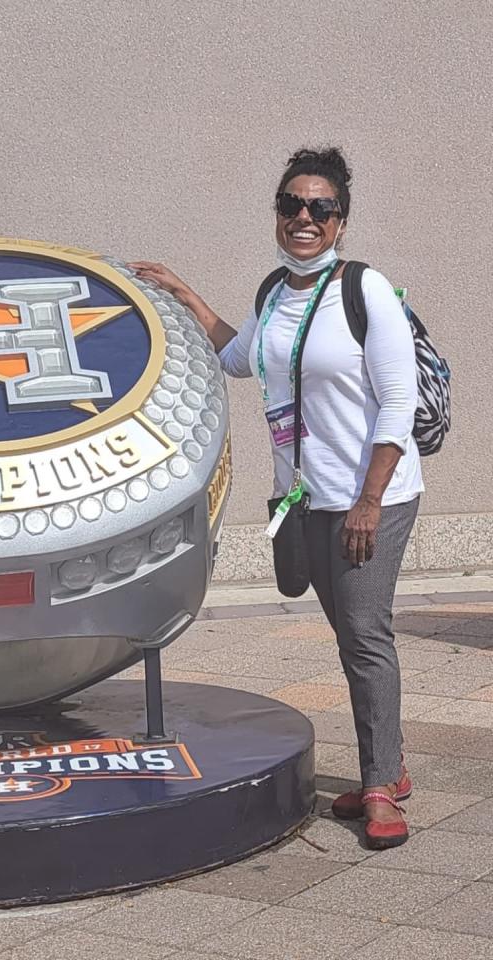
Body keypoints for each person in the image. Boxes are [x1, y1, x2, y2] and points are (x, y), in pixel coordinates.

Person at [131, 147, 423, 850]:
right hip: (306, 496)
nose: (304, 217)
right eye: (293, 204)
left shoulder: (365, 289)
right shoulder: (275, 292)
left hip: (371, 497)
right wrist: (183, 293)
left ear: (341, 221)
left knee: (364, 633)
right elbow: (242, 359)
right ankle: (393, 762)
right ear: (278, 214)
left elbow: (399, 401)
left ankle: (381, 785)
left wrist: (369, 500)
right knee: (351, 632)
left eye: (320, 208)